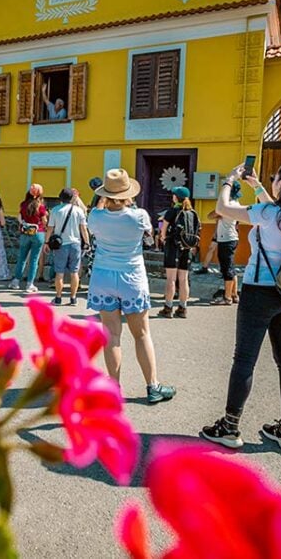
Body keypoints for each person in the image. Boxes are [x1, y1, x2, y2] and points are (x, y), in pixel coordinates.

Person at [200, 160, 281, 454]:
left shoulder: (269, 214)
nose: (273, 182)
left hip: (260, 291)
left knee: (244, 359)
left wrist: (229, 182)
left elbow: (223, 208)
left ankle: (230, 427)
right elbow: (274, 213)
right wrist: (256, 186)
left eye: (275, 179)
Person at [87, 168, 177, 405]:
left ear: (105, 194)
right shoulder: (140, 216)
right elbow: (148, 235)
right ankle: (153, 386)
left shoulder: (96, 216)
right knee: (142, 334)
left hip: (103, 277)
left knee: (112, 336)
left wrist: (102, 200)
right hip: (132, 277)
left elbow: (96, 217)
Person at [43, 188, 90, 306]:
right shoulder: (79, 211)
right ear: (72, 198)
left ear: (60, 198)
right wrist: (87, 242)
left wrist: (46, 242)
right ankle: (73, 298)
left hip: (61, 244)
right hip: (75, 244)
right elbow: (83, 228)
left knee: (59, 272)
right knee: (74, 272)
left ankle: (58, 298)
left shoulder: (55, 210)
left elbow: (50, 228)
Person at [157, 187, 198, 319]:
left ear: (176, 197)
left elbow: (163, 229)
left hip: (173, 247)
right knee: (184, 279)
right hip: (187, 248)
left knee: (171, 279)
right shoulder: (192, 213)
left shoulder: (172, 211)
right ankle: (183, 308)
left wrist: (162, 238)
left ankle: (168, 308)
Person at [11, 184, 48, 293]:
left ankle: (16, 281)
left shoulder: (23, 204)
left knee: (22, 258)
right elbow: (44, 221)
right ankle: (29, 284)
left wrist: (23, 223)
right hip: (38, 233)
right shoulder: (40, 206)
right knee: (34, 260)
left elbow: (19, 217)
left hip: (25, 233)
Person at [211, 183, 242, 306]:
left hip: (226, 239)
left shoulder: (228, 205)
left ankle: (227, 297)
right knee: (231, 267)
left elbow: (211, 215)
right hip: (232, 237)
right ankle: (234, 294)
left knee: (226, 269)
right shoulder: (236, 204)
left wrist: (218, 215)